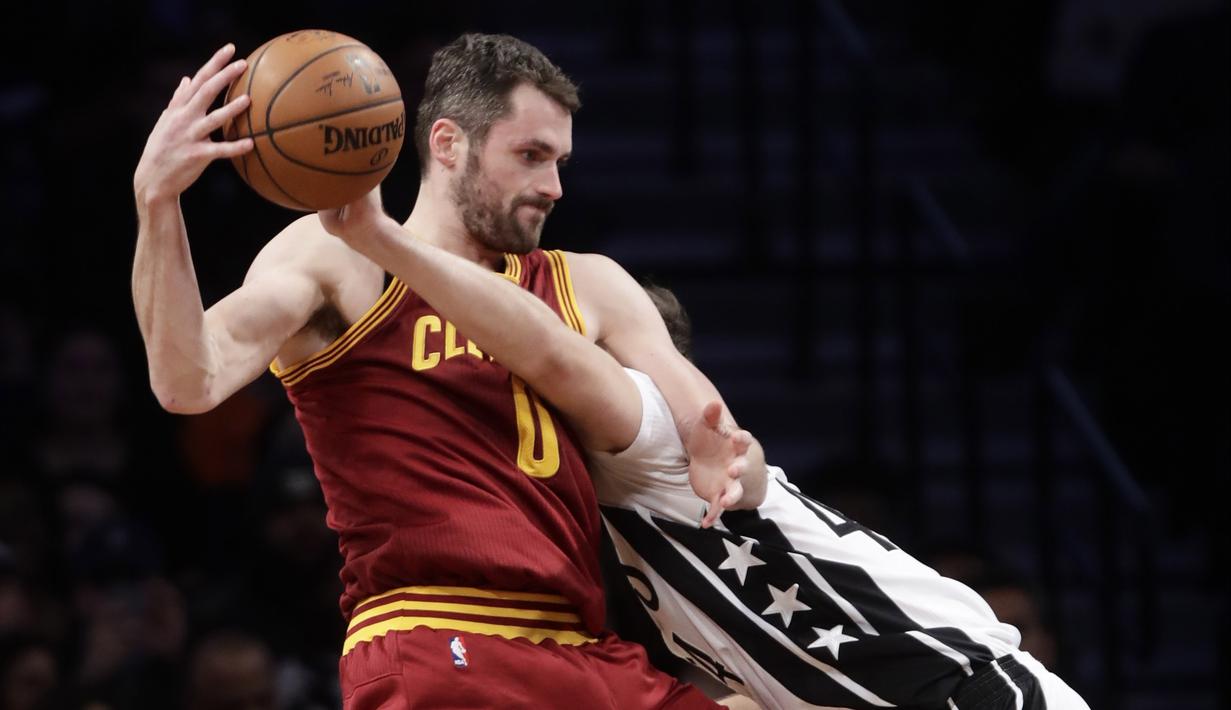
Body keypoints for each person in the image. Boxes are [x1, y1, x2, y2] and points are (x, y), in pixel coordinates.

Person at [132, 33, 761, 708]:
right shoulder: (339, 257)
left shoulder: (590, 285)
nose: (552, 186)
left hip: (577, 642)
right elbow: (186, 381)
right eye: (529, 156)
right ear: (447, 144)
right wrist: (157, 203)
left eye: (560, 162)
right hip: (434, 628)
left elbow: (732, 456)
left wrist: (733, 465)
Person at [316, 198, 1093, 709]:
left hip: (965, 688)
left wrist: (382, 243)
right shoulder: (590, 506)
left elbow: (547, 351)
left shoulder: (648, 427)